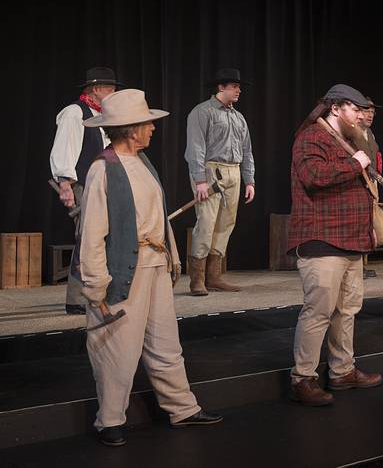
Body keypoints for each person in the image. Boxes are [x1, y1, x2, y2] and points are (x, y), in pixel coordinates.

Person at [79, 89, 222, 447]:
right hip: (125, 272)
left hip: (156, 265)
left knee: (165, 344)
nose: (153, 129)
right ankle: (109, 420)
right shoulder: (103, 169)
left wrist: (172, 256)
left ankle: (182, 408)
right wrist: (96, 285)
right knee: (116, 348)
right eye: (147, 124)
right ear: (129, 129)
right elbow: (92, 233)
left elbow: (159, 218)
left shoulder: (143, 163)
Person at [287, 84, 383, 406]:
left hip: (350, 240)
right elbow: (313, 175)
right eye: (355, 110)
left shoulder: (348, 139)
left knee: (347, 311)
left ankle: (342, 370)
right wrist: (355, 164)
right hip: (321, 240)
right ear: (336, 108)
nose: (360, 116)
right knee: (319, 312)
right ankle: (303, 377)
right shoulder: (311, 137)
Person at [49, 67, 120, 315]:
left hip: (104, 184)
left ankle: (97, 292)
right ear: (96, 89)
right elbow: (64, 149)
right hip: (83, 185)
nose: (114, 92)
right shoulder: (74, 113)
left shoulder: (103, 117)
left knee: (102, 239)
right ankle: (76, 299)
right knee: (87, 239)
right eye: (110, 88)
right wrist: (65, 184)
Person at [184, 68, 255, 296]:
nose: (238, 90)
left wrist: (249, 180)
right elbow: (195, 148)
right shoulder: (202, 112)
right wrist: (200, 180)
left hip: (233, 171)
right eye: (234, 86)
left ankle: (214, 277)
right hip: (211, 170)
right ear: (221, 87)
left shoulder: (238, 117)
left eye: (239, 86)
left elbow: (247, 151)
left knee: (225, 225)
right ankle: (197, 279)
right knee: (206, 223)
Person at [352, 97, 383, 279]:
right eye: (367, 111)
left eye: (373, 112)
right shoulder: (351, 131)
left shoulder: (370, 133)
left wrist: (377, 183)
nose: (370, 115)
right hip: (357, 182)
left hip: (371, 184)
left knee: (370, 227)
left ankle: (362, 264)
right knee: (358, 225)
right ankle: (355, 266)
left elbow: (377, 157)